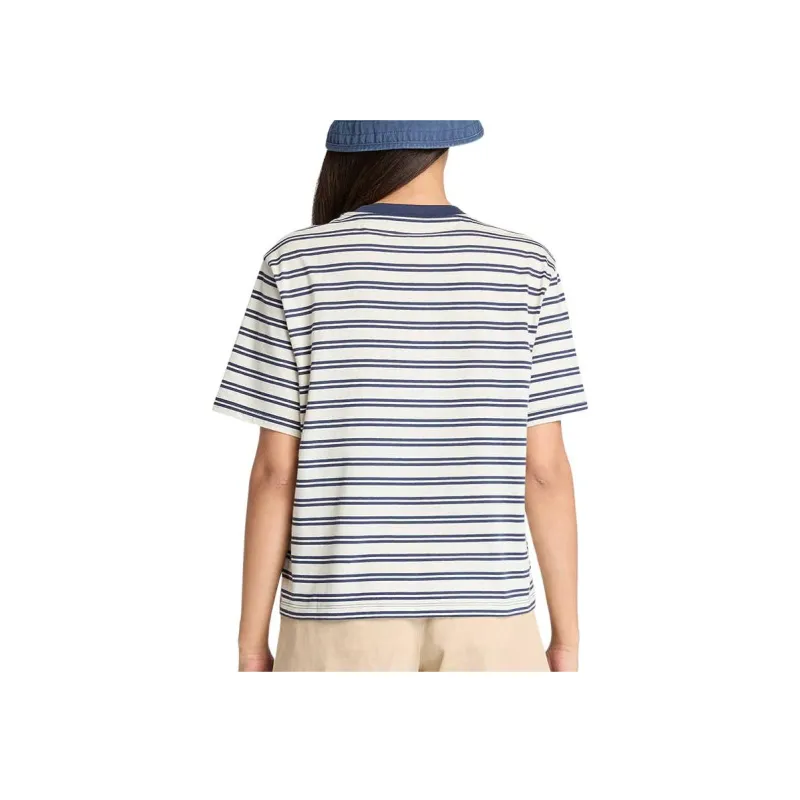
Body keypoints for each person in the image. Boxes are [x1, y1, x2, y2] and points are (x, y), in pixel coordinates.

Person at [213, 120, 587, 671]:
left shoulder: (296, 263)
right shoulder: (525, 266)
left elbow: (276, 473)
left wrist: (251, 645)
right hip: (491, 613)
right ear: (450, 139)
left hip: (338, 611)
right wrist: (567, 639)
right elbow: (545, 471)